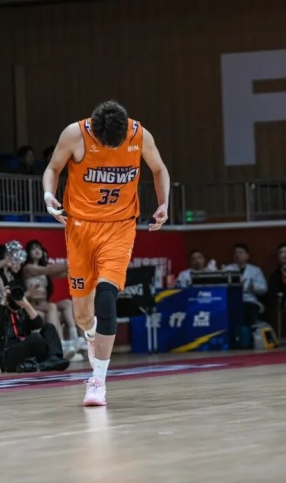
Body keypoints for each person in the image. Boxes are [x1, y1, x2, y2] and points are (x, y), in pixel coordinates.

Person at [42, 100, 170, 406]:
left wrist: (164, 203)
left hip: (120, 227)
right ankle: (91, 335)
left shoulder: (139, 135)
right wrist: (48, 195)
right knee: (82, 314)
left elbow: (159, 169)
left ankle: (97, 380)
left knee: (107, 295)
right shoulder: (75, 134)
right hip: (80, 229)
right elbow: (53, 168)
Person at [0, 287, 70, 373]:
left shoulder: (23, 312)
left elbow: (38, 324)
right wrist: (3, 300)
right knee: (35, 338)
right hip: (8, 355)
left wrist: (26, 304)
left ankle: (53, 359)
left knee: (49, 328)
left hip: (26, 349)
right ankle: (45, 363)